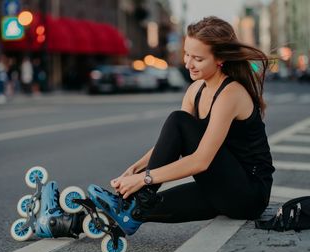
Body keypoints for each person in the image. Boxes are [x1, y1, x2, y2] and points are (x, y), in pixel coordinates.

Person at [25, 16, 275, 239]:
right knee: (138, 208)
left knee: (177, 123)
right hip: (220, 186)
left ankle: (138, 201)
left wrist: (143, 180)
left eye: (198, 58)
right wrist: (136, 168)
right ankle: (62, 222)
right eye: (186, 54)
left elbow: (201, 160)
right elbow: (173, 142)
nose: (188, 63)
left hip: (248, 194)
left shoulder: (230, 94)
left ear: (220, 59)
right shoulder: (195, 90)